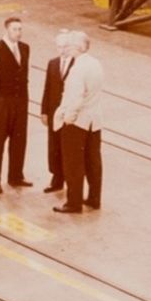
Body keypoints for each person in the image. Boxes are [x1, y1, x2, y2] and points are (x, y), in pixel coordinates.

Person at [51, 30, 104, 215]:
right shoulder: (96, 64)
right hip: (94, 121)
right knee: (93, 161)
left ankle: (73, 203)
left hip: (78, 122)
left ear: (79, 47)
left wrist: (68, 118)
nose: (68, 48)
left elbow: (75, 98)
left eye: (71, 45)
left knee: (73, 163)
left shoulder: (77, 69)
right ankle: (94, 198)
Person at [0, 15, 33, 194]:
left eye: (20, 29)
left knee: (19, 139)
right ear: (6, 29)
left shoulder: (25, 48)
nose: (18, 33)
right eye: (15, 29)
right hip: (1, 101)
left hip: (21, 100)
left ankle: (15, 176)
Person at [40, 30, 72, 193]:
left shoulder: (76, 63)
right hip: (54, 112)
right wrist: (44, 111)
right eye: (59, 47)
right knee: (54, 146)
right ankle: (56, 178)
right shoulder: (52, 63)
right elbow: (47, 88)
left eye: (66, 46)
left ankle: (69, 178)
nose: (63, 50)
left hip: (69, 113)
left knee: (68, 146)